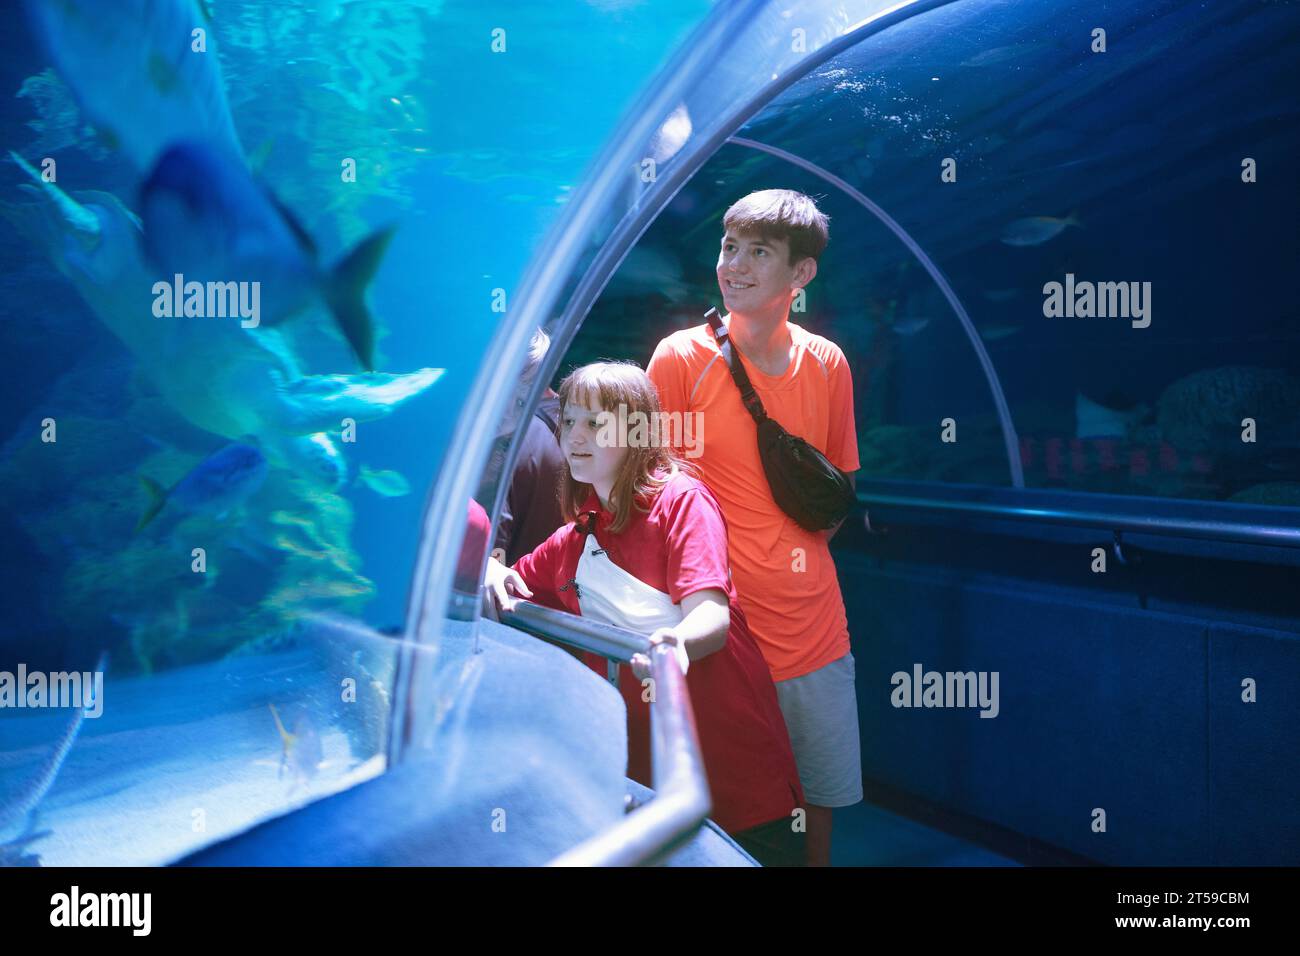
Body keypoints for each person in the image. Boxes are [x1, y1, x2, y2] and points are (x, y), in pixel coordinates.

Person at [484, 361, 806, 865]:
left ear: (637, 428)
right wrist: (486, 570)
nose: (575, 436)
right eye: (568, 421)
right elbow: (511, 580)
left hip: (738, 776)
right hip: (648, 785)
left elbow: (710, 618)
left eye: (596, 422)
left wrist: (673, 644)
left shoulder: (682, 501)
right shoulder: (578, 534)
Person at [646, 189, 861, 866]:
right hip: (717, 636)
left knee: (817, 803)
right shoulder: (680, 358)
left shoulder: (829, 364)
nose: (732, 265)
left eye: (758, 252)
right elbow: (652, 496)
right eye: (728, 246)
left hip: (815, 633)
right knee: (719, 815)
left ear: (801, 275)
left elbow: (834, 497)